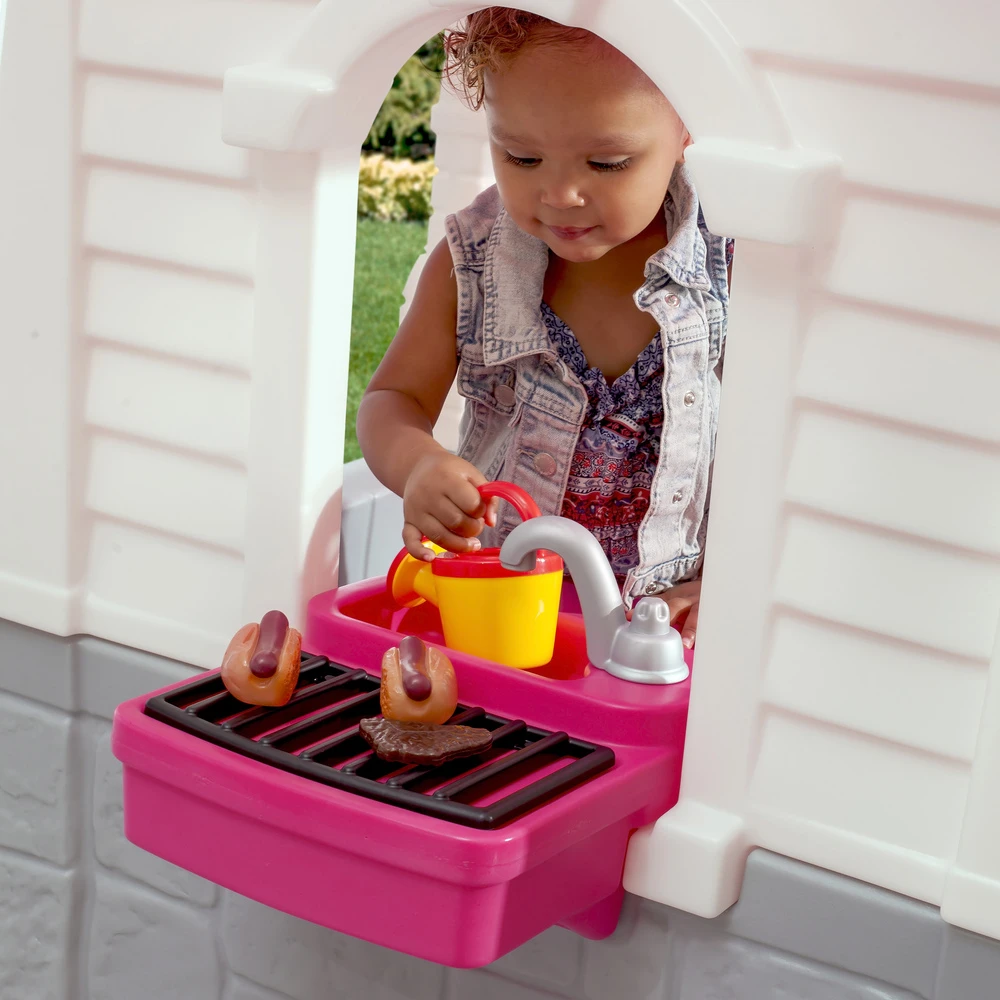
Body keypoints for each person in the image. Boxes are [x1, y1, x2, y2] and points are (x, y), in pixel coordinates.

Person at [358, 8, 732, 647]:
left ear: (686, 129)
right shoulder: (472, 262)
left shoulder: (735, 271)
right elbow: (393, 399)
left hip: (667, 636)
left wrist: (726, 582)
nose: (560, 193)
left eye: (607, 162)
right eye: (522, 156)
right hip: (502, 615)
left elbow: (781, 461)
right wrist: (419, 465)